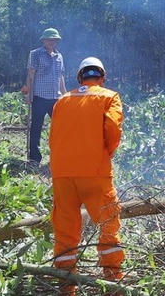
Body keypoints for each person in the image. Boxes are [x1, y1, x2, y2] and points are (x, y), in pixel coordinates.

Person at [49, 57, 124, 290]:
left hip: (62, 174)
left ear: (80, 77)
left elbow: (52, 137)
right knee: (108, 227)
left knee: (65, 230)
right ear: (101, 77)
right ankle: (112, 282)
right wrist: (105, 154)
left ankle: (65, 285)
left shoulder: (62, 100)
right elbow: (113, 129)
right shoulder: (109, 97)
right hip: (95, 172)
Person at [21, 28, 66, 165]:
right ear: (43, 41)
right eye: (48, 39)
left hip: (55, 98)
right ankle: (34, 158)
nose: (51, 42)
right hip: (39, 97)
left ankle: (59, 155)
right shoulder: (35, 54)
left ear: (57, 41)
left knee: (60, 127)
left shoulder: (59, 56)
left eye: (53, 40)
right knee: (36, 127)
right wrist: (28, 94)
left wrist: (65, 96)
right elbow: (30, 74)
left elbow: (60, 77)